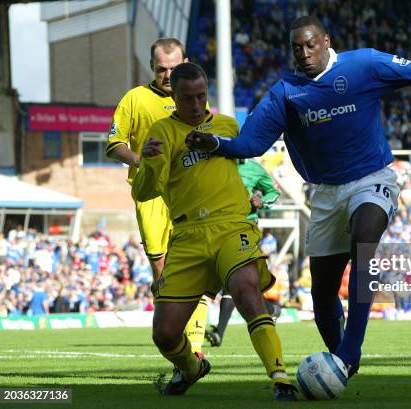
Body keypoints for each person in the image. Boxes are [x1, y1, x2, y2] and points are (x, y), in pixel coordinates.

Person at [186, 16, 411, 379]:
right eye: (296, 48)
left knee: (364, 240)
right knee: (321, 295)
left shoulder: (363, 64)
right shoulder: (285, 92)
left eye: (310, 45)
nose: (303, 53)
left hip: (371, 178)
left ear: (326, 41)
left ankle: (350, 350)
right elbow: (251, 143)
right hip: (325, 194)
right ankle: (341, 364)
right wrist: (216, 143)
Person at [133, 62, 296, 400]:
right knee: (164, 334)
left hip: (231, 227)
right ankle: (191, 368)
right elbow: (145, 192)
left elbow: (253, 152)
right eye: (187, 98)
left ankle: (280, 378)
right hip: (188, 235)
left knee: (247, 291)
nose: (195, 105)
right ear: (173, 97)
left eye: (201, 97)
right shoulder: (161, 133)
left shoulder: (225, 125)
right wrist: (148, 161)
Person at [106, 38, 208, 354]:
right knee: (162, 273)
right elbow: (114, 144)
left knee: (197, 265)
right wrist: (140, 160)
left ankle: (195, 345)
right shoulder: (134, 99)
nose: (167, 75)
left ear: (186, 64)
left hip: (187, 193)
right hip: (151, 196)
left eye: (174, 68)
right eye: (161, 69)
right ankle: (173, 337)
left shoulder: (193, 100)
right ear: (152, 66)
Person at [205, 159, 281, 347]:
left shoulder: (253, 168)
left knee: (231, 278)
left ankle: (218, 333)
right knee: (239, 282)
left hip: (245, 226)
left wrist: (261, 201)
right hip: (219, 227)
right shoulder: (215, 164)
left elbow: (273, 192)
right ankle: (270, 309)